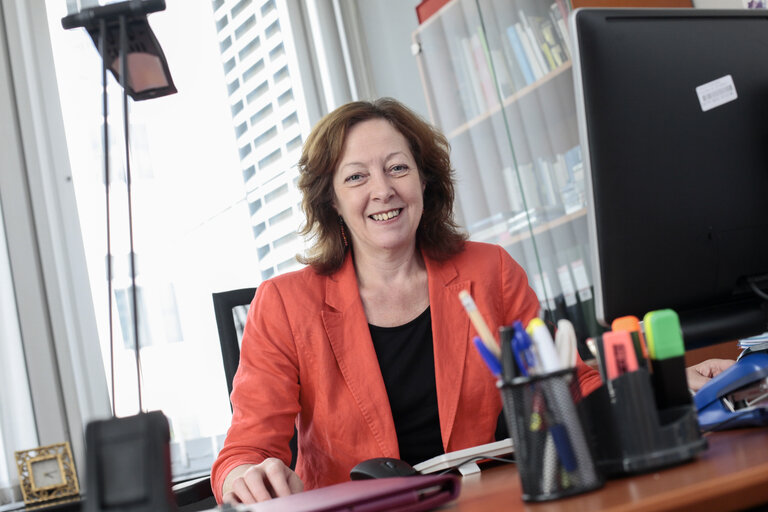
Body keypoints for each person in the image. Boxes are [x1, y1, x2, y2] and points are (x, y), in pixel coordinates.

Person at [209, 98, 729, 505]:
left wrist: (657, 385)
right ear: (332, 201)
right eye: (356, 176)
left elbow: (568, 383)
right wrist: (245, 476)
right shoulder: (283, 303)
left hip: (484, 501)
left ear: (424, 182)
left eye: (398, 168)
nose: (383, 190)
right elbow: (245, 451)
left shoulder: (489, 271)